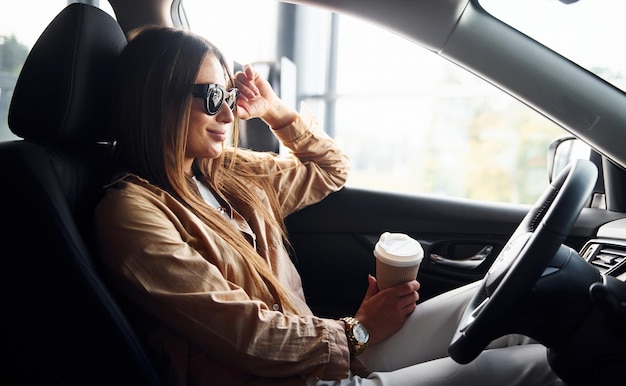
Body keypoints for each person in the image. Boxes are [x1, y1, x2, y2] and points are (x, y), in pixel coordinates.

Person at [94, 26, 564, 386]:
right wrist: (356, 332)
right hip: (283, 377)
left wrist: (276, 112)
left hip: (318, 352)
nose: (227, 114)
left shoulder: (224, 173)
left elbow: (331, 168)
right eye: (212, 96)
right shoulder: (133, 214)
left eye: (230, 96)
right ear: (160, 101)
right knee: (535, 367)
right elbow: (247, 336)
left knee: (517, 309)